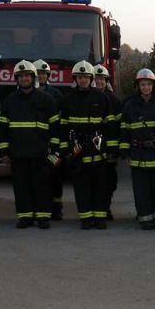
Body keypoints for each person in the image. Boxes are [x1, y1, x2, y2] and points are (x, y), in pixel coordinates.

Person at [0, 60, 61, 228]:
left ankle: (43, 217)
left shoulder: (46, 100)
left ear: (33, 77)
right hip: (18, 152)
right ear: (16, 79)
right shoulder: (9, 101)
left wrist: (55, 151)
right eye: (21, 76)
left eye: (27, 76)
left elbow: (55, 128)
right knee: (21, 186)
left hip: (41, 152)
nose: (24, 79)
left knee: (42, 185)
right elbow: (3, 128)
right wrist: (4, 150)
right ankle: (25, 216)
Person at [61, 61, 118, 229]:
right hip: (78, 151)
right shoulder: (68, 99)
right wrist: (65, 149)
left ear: (91, 78)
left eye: (86, 77)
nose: (83, 80)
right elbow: (63, 125)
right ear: (75, 79)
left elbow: (110, 124)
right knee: (81, 188)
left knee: (100, 187)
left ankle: (100, 218)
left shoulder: (102, 98)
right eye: (80, 77)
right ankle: (86, 218)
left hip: (98, 150)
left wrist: (112, 148)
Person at [120, 68, 155, 230]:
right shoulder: (130, 106)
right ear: (138, 86)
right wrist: (125, 151)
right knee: (141, 189)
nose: (146, 87)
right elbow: (125, 130)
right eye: (143, 84)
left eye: (148, 84)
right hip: (139, 153)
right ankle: (145, 218)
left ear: (153, 85)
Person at [34, 59, 65, 220]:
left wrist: (58, 143)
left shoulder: (56, 95)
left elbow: (60, 121)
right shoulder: (28, 94)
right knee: (39, 177)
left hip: (53, 144)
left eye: (43, 74)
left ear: (48, 75)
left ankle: (56, 207)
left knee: (55, 175)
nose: (40, 76)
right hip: (37, 144)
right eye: (38, 73)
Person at [93, 64, 121, 219]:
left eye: (102, 79)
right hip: (92, 148)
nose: (99, 82)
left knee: (109, 182)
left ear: (106, 81)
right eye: (96, 79)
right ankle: (96, 210)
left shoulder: (114, 101)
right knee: (94, 181)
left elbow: (117, 127)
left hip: (109, 149)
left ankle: (106, 208)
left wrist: (114, 151)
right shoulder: (87, 97)